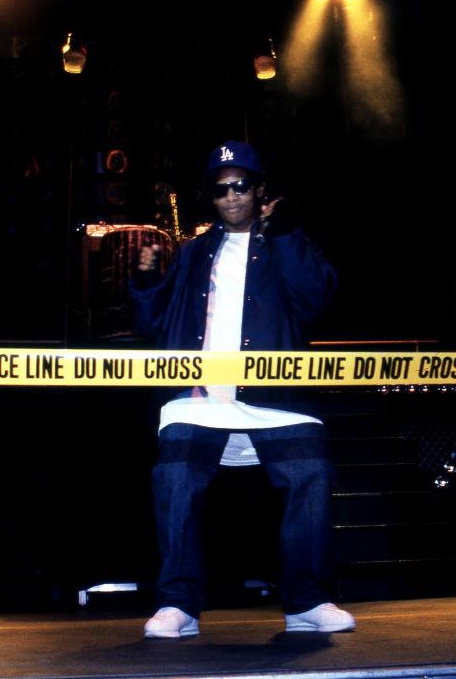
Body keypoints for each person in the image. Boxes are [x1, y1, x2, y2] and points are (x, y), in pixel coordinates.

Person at [130, 140, 354, 638]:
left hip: (277, 395)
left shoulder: (288, 241)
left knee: (309, 477)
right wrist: (145, 278)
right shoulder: (193, 253)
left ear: (260, 191)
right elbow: (153, 323)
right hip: (200, 397)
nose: (231, 196)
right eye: (220, 189)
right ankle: (178, 605)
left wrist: (284, 231)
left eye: (241, 186)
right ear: (210, 197)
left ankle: (307, 601)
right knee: (174, 484)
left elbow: (314, 298)